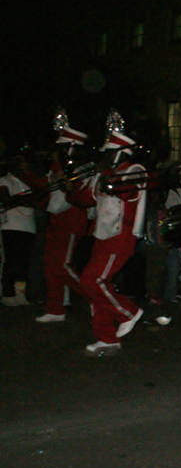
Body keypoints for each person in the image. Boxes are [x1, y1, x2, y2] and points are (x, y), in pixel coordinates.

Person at [66, 112, 147, 354]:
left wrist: (103, 175)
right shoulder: (106, 174)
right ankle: (107, 337)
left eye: (110, 153)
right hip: (102, 236)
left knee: (93, 281)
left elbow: (123, 191)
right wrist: (71, 188)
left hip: (121, 236)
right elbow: (86, 198)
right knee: (95, 285)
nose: (106, 157)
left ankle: (128, 312)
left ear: (121, 153)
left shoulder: (135, 169)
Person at [36, 114, 92, 322]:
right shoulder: (59, 167)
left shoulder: (80, 168)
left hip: (71, 221)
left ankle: (96, 298)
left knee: (63, 266)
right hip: (58, 220)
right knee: (50, 266)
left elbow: (72, 194)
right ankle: (55, 309)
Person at [0, 154, 42, 306]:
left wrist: (19, 199)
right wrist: (28, 199)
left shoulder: (29, 181)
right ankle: (7, 293)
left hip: (29, 227)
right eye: (18, 163)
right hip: (10, 226)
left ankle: (20, 293)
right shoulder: (4, 180)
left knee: (23, 263)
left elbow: (38, 200)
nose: (21, 167)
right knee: (11, 261)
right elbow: (7, 200)